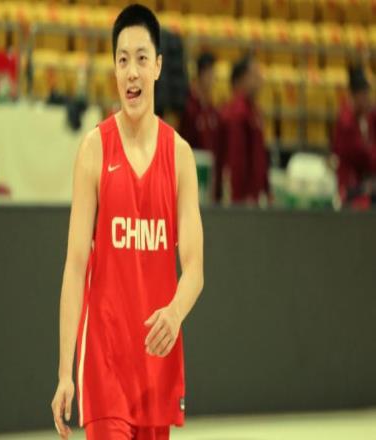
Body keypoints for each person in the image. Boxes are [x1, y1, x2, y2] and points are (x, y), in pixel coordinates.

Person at [50, 4, 204, 440]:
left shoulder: (180, 157)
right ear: (114, 68)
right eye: (122, 60)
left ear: (158, 66)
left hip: (156, 368)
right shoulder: (94, 150)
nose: (131, 71)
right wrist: (65, 372)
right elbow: (75, 266)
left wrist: (175, 313)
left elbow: (195, 268)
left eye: (141, 58)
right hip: (105, 366)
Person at [220, 54, 269, 205]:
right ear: (241, 79)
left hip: (254, 195)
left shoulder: (254, 110)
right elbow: (236, 159)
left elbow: (260, 156)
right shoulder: (237, 112)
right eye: (254, 74)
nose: (260, 78)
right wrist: (239, 197)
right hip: (243, 197)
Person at [179, 52, 223, 202]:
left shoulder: (212, 110)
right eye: (211, 74)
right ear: (202, 74)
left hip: (209, 176)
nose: (214, 80)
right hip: (190, 174)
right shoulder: (188, 106)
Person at [332, 65, 376, 205]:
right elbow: (360, 155)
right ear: (354, 96)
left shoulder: (369, 116)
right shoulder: (346, 121)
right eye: (364, 95)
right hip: (351, 185)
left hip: (366, 180)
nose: (368, 99)